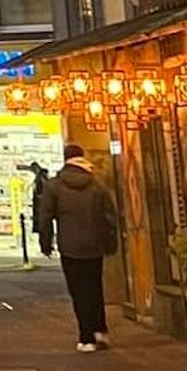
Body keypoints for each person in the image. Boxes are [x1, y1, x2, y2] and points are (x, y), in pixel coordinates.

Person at [37, 144, 121, 352]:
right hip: (94, 245)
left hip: (70, 246)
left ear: (65, 159)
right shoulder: (97, 184)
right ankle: (100, 329)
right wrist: (111, 243)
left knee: (78, 291)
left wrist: (46, 244)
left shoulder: (54, 186)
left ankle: (86, 336)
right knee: (95, 287)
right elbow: (109, 217)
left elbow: (45, 217)